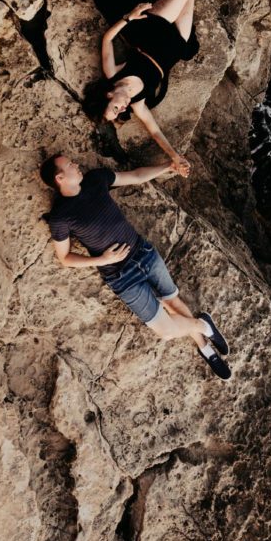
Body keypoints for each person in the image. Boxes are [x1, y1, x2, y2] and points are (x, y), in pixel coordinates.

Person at [39, 153, 231, 380]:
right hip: (120, 277)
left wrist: (168, 165)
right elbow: (65, 258)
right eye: (70, 164)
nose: (77, 164)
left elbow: (137, 176)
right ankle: (203, 325)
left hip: (144, 254)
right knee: (167, 331)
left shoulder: (95, 179)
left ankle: (205, 348)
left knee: (172, 301)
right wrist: (103, 260)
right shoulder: (60, 216)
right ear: (60, 178)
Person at [85, 0, 209, 177]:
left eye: (115, 108)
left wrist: (129, 17)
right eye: (120, 113)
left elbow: (107, 39)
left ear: (108, 96)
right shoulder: (138, 103)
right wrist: (174, 157)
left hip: (156, 26)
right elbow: (154, 131)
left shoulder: (112, 74)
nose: (123, 109)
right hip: (177, 43)